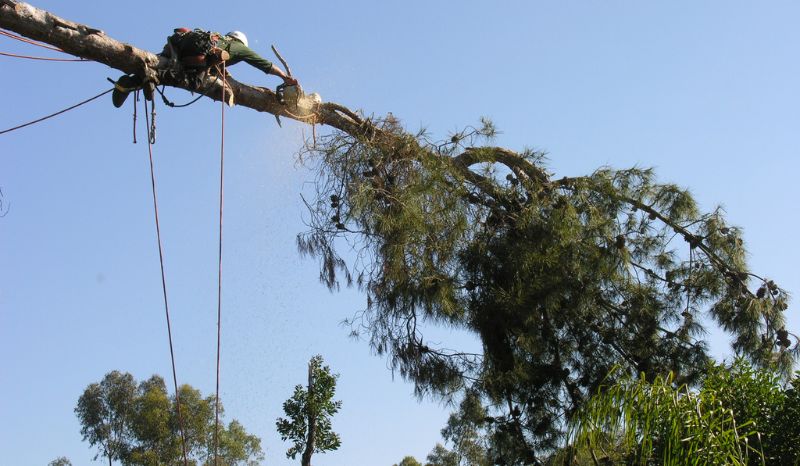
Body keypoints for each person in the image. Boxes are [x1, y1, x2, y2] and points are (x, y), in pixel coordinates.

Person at [112, 29, 297, 108]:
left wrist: (222, 72)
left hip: (178, 47)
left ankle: (128, 84)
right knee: (192, 81)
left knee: (170, 71)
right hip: (194, 55)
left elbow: (215, 66)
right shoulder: (240, 47)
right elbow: (264, 64)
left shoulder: (216, 37)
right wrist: (284, 77)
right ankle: (149, 77)